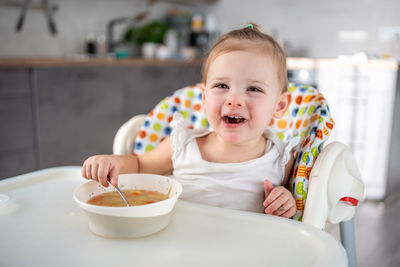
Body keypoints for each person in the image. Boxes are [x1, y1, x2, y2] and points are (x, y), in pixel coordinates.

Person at [82, 23, 298, 218]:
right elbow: (139, 166)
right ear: (204, 98)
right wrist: (113, 162)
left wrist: (286, 202)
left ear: (279, 106)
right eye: (222, 86)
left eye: (254, 89)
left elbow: (289, 209)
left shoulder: (280, 158)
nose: (234, 100)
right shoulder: (182, 146)